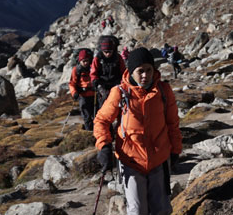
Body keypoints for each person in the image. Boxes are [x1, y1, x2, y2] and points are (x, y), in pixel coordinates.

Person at [94, 48, 181, 215]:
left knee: (161, 210)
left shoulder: (163, 91)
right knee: (138, 211)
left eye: (149, 70)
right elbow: (101, 120)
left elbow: (172, 124)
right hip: (130, 161)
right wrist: (104, 145)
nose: (145, 75)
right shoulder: (120, 93)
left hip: (159, 159)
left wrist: (176, 149)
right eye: (140, 71)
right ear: (131, 71)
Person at [90, 35, 125, 111]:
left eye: (110, 52)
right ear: (102, 51)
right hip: (102, 85)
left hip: (116, 84)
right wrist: (94, 81)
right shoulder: (98, 59)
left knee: (117, 103)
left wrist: (123, 83)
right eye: (105, 52)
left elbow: (123, 72)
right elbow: (93, 73)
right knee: (104, 103)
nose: (108, 54)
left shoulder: (118, 58)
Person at [68, 48, 96, 130]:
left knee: (96, 116)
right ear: (79, 61)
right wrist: (74, 93)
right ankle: (88, 132)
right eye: (84, 61)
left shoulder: (93, 67)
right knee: (87, 117)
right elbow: (72, 83)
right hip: (83, 96)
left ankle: (96, 132)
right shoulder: (76, 70)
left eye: (87, 60)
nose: (86, 63)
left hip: (94, 95)